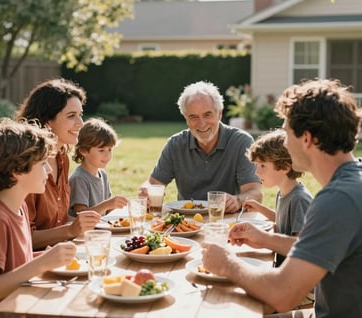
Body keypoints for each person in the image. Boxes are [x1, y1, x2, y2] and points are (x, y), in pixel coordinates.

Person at [202, 78, 362, 317]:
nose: (285, 143)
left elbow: (282, 294)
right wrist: (265, 239)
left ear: (307, 139)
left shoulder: (338, 199)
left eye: (287, 135)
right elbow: (321, 247)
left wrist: (226, 263)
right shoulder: (351, 184)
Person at [0, 118, 76, 316]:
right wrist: (42, 263)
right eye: (43, 163)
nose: (49, 170)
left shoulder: (20, 208)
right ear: (17, 170)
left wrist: (50, 257)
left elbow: (15, 265)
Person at [139, 81, 262, 213]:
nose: (201, 124)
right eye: (193, 117)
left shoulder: (241, 142)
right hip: (186, 222)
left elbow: (255, 192)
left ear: (219, 114)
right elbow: (153, 184)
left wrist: (238, 200)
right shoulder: (175, 144)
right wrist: (145, 191)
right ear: (186, 119)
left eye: (207, 115)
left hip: (228, 221)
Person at [15, 78, 100, 250]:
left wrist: (89, 225)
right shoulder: (26, 165)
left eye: (80, 114)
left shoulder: (62, 159)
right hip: (33, 264)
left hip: (61, 255)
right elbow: (22, 237)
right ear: (47, 121)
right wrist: (70, 230)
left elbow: (58, 221)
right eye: (71, 116)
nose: (81, 123)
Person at [244, 128, 313, 267]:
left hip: (292, 276)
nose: (257, 172)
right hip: (279, 267)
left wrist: (264, 239)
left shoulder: (299, 199)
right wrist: (259, 208)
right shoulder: (284, 192)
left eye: (263, 165)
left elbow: (301, 247)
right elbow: (283, 221)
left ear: (285, 168)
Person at [69, 118, 128, 216]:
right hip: (86, 231)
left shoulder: (102, 174)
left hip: (102, 229)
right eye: (101, 150)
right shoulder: (79, 179)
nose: (107, 155)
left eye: (109, 150)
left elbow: (108, 210)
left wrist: (123, 206)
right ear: (83, 151)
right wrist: (107, 204)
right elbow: (81, 213)